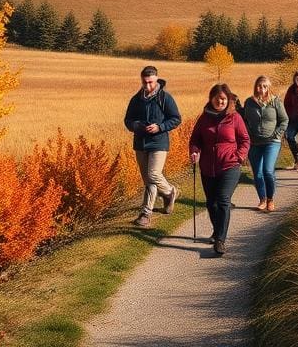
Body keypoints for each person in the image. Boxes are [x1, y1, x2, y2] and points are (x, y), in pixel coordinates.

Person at [189, 84, 250, 255]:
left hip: (229, 165)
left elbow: (245, 139)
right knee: (211, 203)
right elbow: (195, 139)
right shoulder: (204, 118)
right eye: (217, 99)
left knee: (223, 199)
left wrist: (239, 156)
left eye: (223, 99)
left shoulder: (235, 118)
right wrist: (194, 151)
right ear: (211, 99)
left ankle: (220, 240)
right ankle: (217, 231)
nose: (220, 101)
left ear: (228, 99)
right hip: (208, 166)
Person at [123, 65, 182, 228]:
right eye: (145, 82)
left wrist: (160, 127)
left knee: (153, 174)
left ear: (157, 80)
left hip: (159, 143)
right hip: (140, 143)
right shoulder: (136, 100)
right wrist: (136, 125)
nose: (148, 86)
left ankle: (147, 212)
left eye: (150, 82)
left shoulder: (165, 98)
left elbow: (176, 118)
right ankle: (169, 193)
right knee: (148, 179)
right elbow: (127, 120)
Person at [243, 75, 288, 212]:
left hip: (272, 142)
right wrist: (248, 134)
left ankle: (270, 199)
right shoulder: (249, 102)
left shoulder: (275, 102)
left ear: (268, 88)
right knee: (257, 174)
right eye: (259, 86)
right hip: (255, 143)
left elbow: (284, 120)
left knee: (268, 171)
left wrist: (277, 134)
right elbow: (244, 120)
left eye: (264, 86)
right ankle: (262, 199)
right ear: (255, 87)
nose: (261, 89)